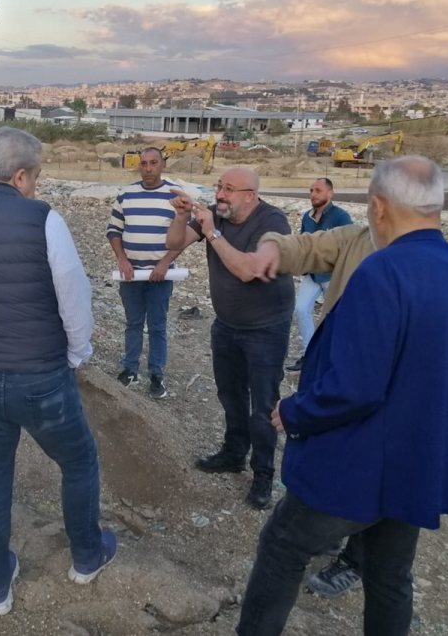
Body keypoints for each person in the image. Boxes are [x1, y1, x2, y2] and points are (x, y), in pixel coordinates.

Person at [237, 156, 448, 636]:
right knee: (390, 575)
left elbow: (354, 387)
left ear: (378, 206)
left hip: (359, 465)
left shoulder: (381, 271)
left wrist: (293, 411)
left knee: (283, 545)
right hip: (416, 464)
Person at [0, 127, 116, 617]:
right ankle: (86, 557)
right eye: (34, 177)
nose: (36, 186)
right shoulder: (44, 220)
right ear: (19, 176)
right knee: (78, 461)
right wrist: (77, 354)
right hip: (39, 378)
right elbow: (73, 299)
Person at [252, 222, 373, 598]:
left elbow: (364, 382)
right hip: (338, 381)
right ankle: (333, 535)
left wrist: (297, 411)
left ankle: (354, 560)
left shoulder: (423, 266)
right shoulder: (358, 238)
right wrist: (273, 247)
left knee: (283, 543)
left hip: (367, 397)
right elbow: (308, 246)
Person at [166, 167, 293, 510]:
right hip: (226, 324)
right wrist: (182, 216)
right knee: (230, 394)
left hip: (266, 328)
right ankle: (234, 453)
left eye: (229, 189)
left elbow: (247, 270)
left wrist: (211, 232)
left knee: (263, 405)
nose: (220, 194)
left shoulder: (272, 222)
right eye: (219, 186)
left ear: (250, 196)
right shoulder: (217, 213)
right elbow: (174, 243)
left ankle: (263, 474)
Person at [107, 147, 183, 399]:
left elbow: (183, 236)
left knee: (157, 326)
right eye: (143, 163)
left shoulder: (175, 196)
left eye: (153, 163)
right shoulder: (126, 194)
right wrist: (122, 259)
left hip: (161, 277)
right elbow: (114, 230)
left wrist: (165, 263)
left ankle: (156, 374)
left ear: (163, 164)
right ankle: (130, 369)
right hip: (131, 276)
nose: (148, 168)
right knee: (133, 324)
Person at [285, 177, 352, 372]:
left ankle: (337, 359)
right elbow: (303, 243)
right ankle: (310, 355)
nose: (313, 194)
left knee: (335, 317)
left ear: (330, 193)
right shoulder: (307, 217)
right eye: (311, 190)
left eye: (318, 191)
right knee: (301, 309)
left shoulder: (341, 217)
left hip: (333, 276)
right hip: (313, 274)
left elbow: (350, 244)